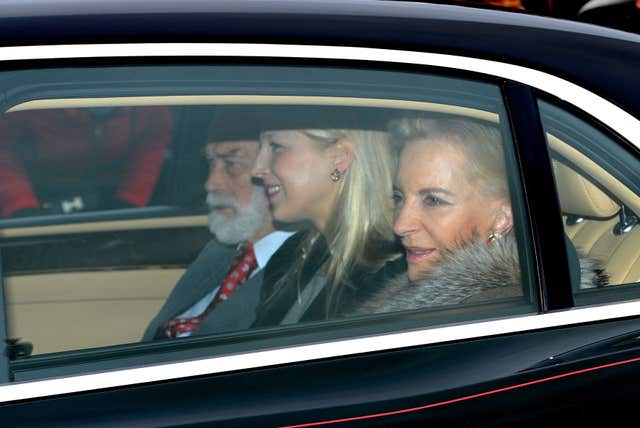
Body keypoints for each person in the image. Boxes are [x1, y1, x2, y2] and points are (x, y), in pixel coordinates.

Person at [346, 117, 605, 317]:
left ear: (503, 218)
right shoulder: (429, 289)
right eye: (398, 197)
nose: (400, 224)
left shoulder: (495, 315)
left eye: (433, 200)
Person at [142, 107, 294, 340]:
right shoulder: (221, 251)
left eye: (232, 164)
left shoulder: (307, 271)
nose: (211, 184)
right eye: (211, 163)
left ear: (279, 171)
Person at [251, 106, 401, 326]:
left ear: (339, 157)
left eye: (276, 146)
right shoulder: (291, 256)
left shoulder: (392, 275)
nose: (257, 168)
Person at [0, 106, 173, 217]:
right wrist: (21, 205)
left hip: (113, 195)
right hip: (39, 194)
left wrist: (130, 200)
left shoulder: (146, 101)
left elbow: (153, 140)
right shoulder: (36, 97)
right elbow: (3, 146)